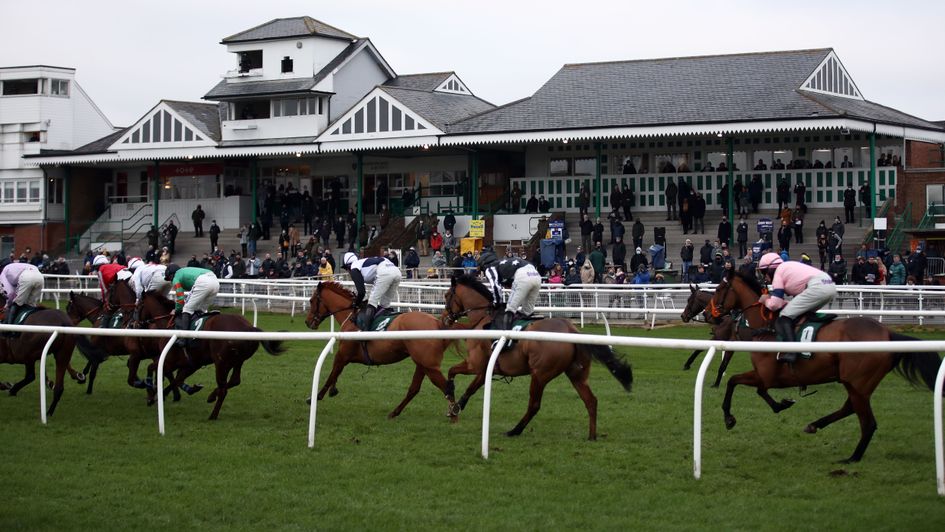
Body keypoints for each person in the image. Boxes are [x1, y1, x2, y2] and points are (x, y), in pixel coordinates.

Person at [758, 252, 837, 363]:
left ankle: (792, 352)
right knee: (797, 312)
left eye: (764, 272)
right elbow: (787, 302)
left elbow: (775, 305)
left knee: (785, 316)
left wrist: (765, 300)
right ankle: (814, 319)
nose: (765, 276)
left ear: (770, 269)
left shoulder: (778, 274)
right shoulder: (788, 266)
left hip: (817, 287)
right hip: (829, 285)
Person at [342, 251, 401, 331]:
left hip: (385, 271)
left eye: (346, 269)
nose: (348, 272)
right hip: (397, 272)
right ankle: (389, 327)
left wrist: (356, 304)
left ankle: (366, 332)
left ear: (348, 266)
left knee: (372, 302)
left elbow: (361, 292)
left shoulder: (354, 268)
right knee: (385, 304)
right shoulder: (361, 263)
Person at [481, 253, 542, 330]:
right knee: (527, 311)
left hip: (523, 275)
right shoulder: (504, 263)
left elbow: (496, 286)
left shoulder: (490, 268)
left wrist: (497, 303)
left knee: (510, 309)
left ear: (483, 264)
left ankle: (505, 336)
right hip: (536, 275)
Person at [165, 264, 219, 348]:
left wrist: (177, 309)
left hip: (203, 281)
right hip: (215, 282)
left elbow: (180, 297)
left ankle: (184, 339)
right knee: (201, 310)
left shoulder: (176, 276)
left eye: (169, 279)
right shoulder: (184, 271)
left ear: (171, 275)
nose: (171, 282)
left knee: (187, 308)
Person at [0, 262, 43, 336]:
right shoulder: (15, 267)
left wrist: (7, 305)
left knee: (16, 303)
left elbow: (9, 293)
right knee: (30, 305)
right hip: (40, 277)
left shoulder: (3, 273)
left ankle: (9, 330)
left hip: (27, 276)